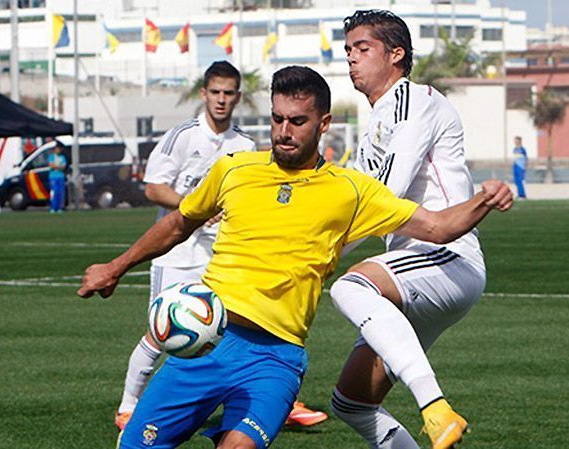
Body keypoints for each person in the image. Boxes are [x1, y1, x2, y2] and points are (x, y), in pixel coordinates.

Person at [78, 65, 512, 449]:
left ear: (323, 123)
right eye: (277, 119)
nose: (284, 131)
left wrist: (484, 200)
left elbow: (436, 227)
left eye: (298, 122)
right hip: (207, 345)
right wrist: (115, 268)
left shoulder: (350, 190)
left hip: (275, 360)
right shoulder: (234, 169)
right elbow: (178, 223)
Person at [115, 60, 326, 433]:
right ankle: (129, 405)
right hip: (178, 254)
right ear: (204, 94)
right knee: (165, 331)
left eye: (229, 93)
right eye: (215, 92)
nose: (222, 100)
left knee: (228, 333)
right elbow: (152, 188)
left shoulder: (244, 144)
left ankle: (270, 398)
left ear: (238, 97)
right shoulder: (183, 136)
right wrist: (198, 204)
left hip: (220, 257)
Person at [329, 10, 495, 449]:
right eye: (347, 51)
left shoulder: (413, 101)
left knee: (350, 288)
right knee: (351, 404)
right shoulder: (377, 123)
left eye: (362, 49)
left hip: (447, 257)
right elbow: (364, 213)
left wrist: (326, 248)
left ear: (396, 54)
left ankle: (435, 407)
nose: (351, 59)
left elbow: (386, 192)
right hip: (408, 273)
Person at [48, 141, 67, 213]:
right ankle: (53, 207)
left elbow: (63, 167)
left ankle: (59, 208)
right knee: (54, 192)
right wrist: (58, 166)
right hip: (53, 177)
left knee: (60, 193)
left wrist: (57, 167)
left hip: (60, 177)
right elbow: (51, 166)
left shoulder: (62, 157)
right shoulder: (51, 157)